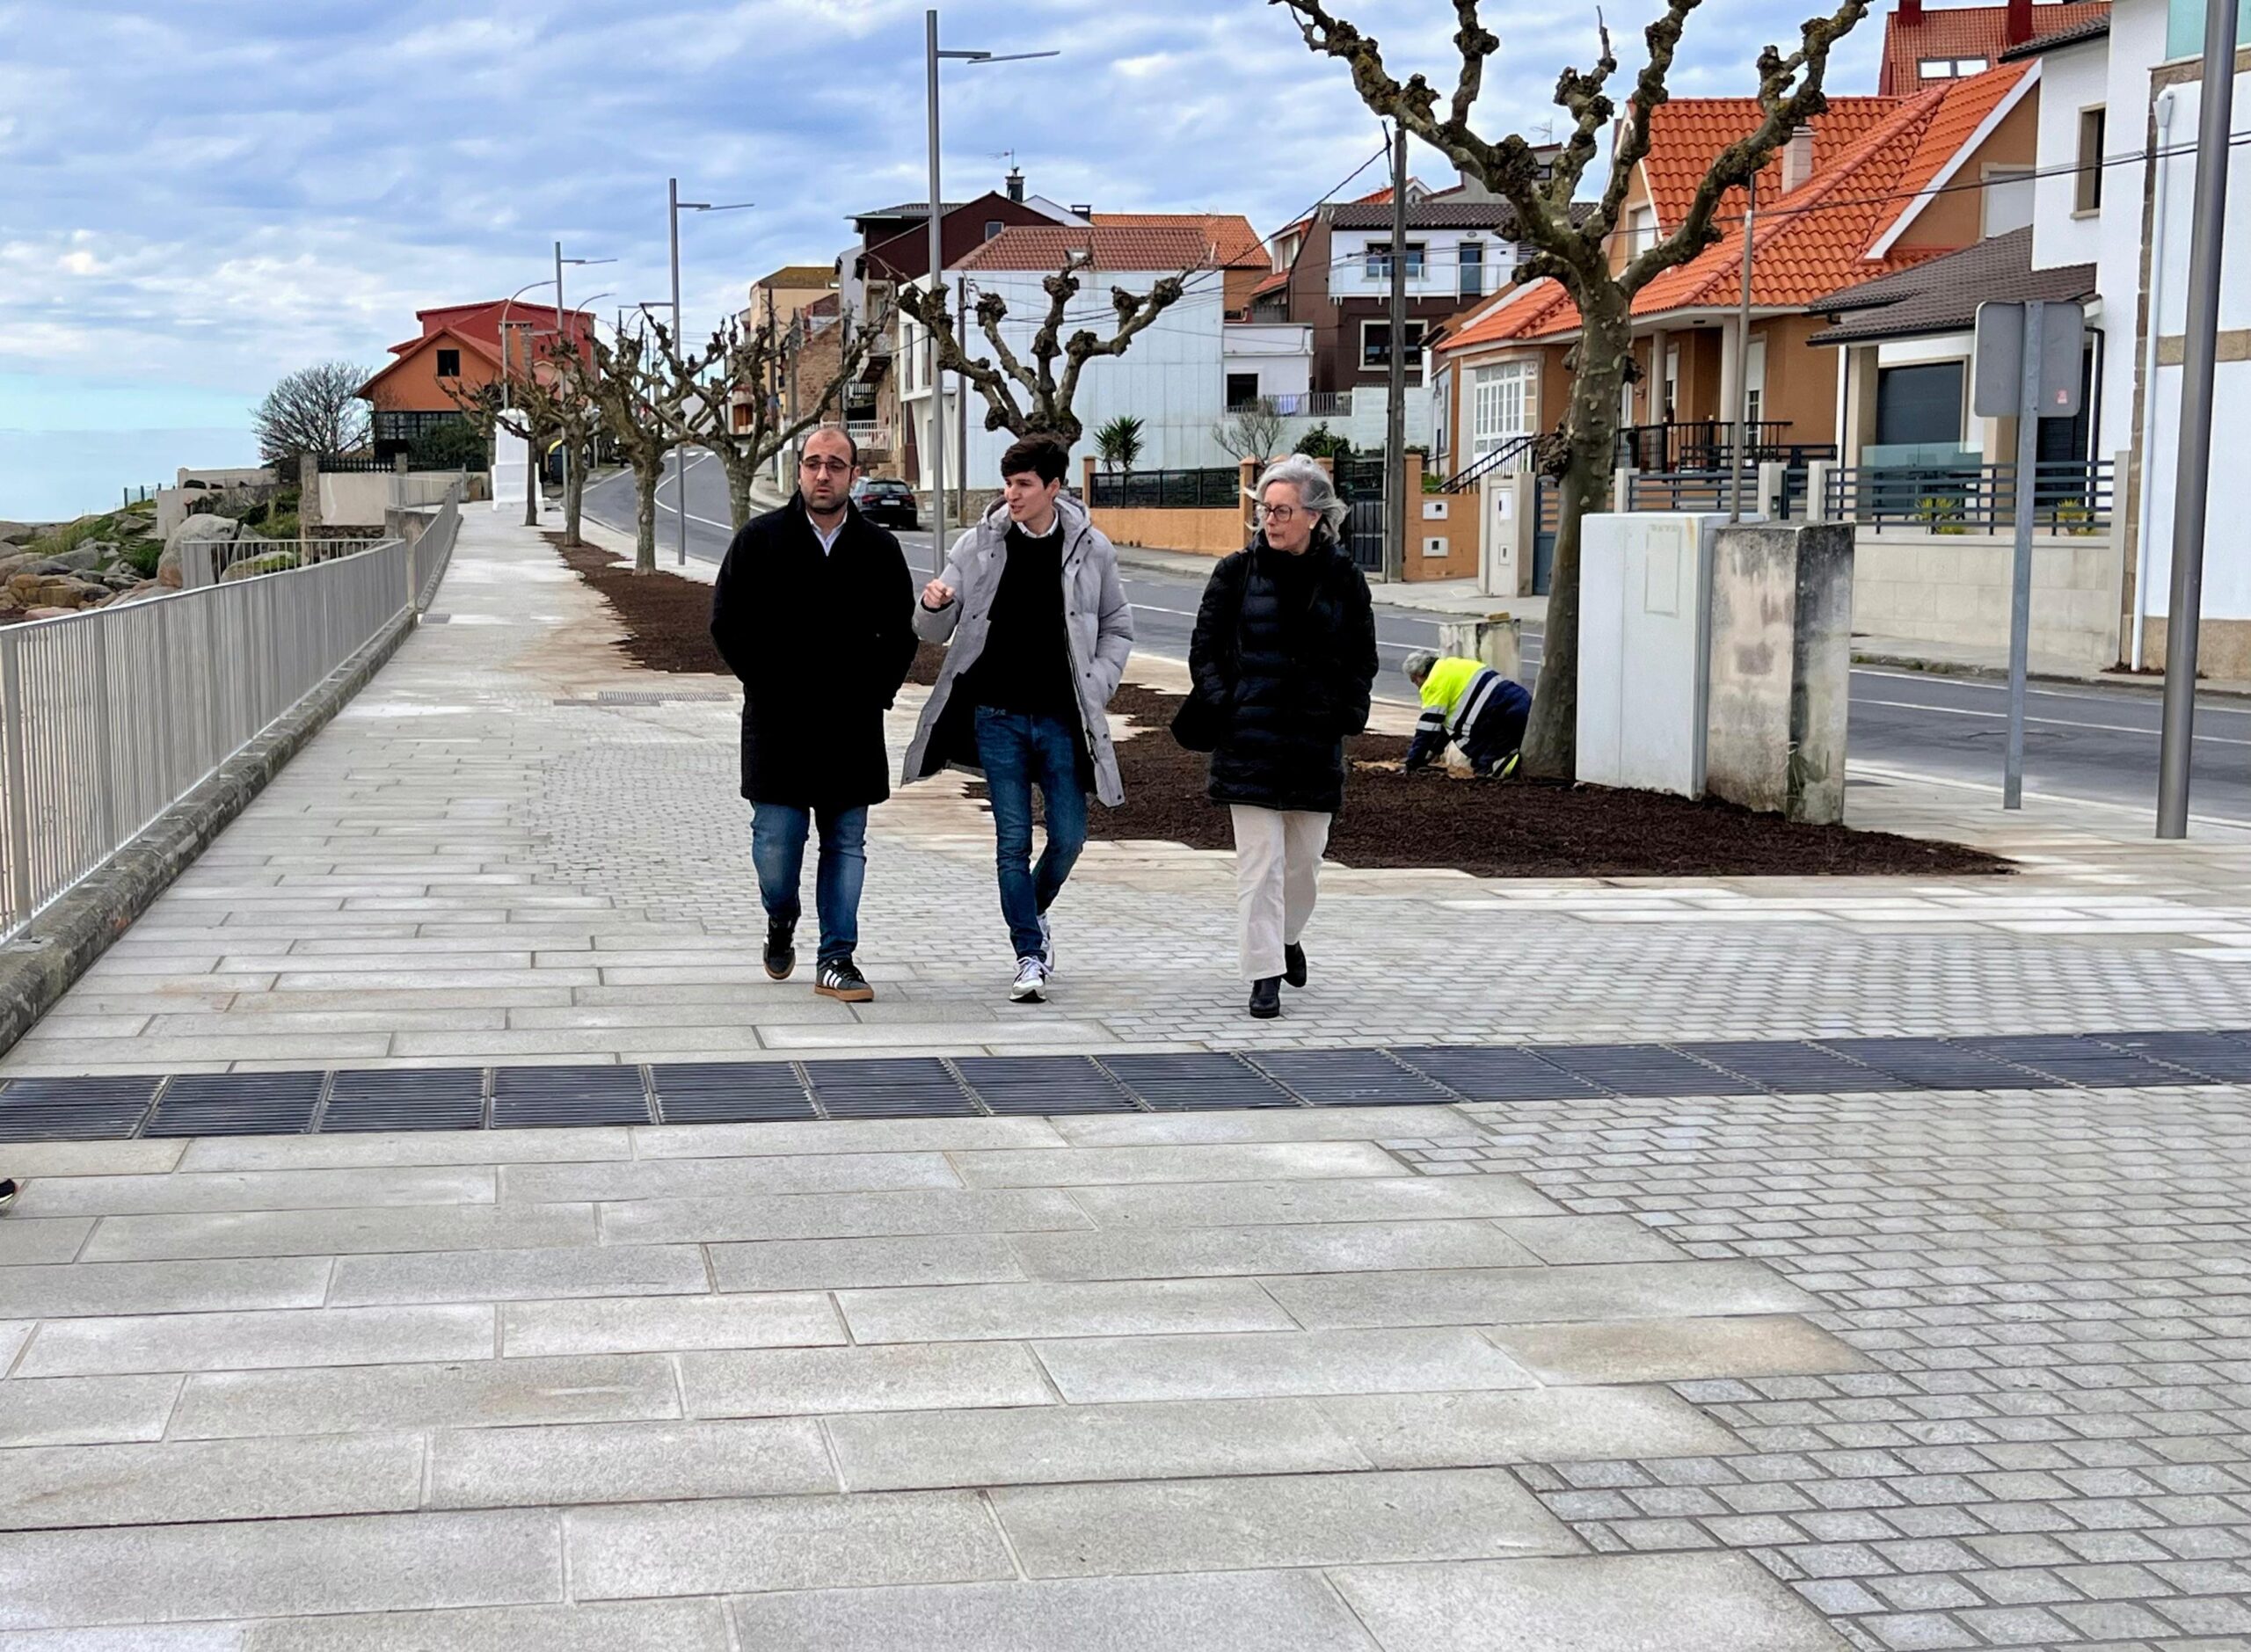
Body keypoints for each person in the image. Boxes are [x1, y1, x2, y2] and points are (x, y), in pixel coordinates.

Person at [903, 434, 1133, 1003]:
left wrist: (1098, 684)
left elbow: (1117, 626)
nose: (1012, 495)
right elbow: (933, 629)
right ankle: (1028, 954)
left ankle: (1034, 914)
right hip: (997, 717)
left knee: (1070, 838)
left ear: (1053, 487)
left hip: (1061, 720)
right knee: (1012, 843)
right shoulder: (979, 545)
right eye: (1008, 484)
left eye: (1024, 484)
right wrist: (933, 605)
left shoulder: (1091, 548)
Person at [710, 426, 916, 1003]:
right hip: (778, 726)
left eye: (835, 465)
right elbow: (726, 622)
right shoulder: (760, 540)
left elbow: (902, 633)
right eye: (813, 464)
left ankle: (837, 957)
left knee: (846, 842)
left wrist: (876, 691)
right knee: (777, 844)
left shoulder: (879, 549)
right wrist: (768, 681)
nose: (823, 474)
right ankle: (782, 917)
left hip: (851, 728)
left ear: (854, 475)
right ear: (799, 471)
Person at [1184, 455, 1377, 1020]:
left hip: (1315, 744)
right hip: (1248, 740)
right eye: (1266, 509)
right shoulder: (1235, 572)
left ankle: (1287, 935)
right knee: (1259, 864)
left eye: (1283, 510)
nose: (1271, 520)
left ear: (1315, 516)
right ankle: (1263, 973)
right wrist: (1228, 702)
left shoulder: (1345, 578)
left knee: (1305, 864)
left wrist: (1349, 711)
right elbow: (1205, 649)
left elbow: (1362, 656)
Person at [1401, 649, 1532, 778]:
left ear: (1420, 674)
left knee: (1485, 765)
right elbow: (1443, 730)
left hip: (1499, 716)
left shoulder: (1433, 684)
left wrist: (1413, 762)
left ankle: (1505, 766)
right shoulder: (1454, 665)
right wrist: (1431, 753)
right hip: (1520, 702)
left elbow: (1427, 730)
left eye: (1415, 681)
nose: (1418, 687)